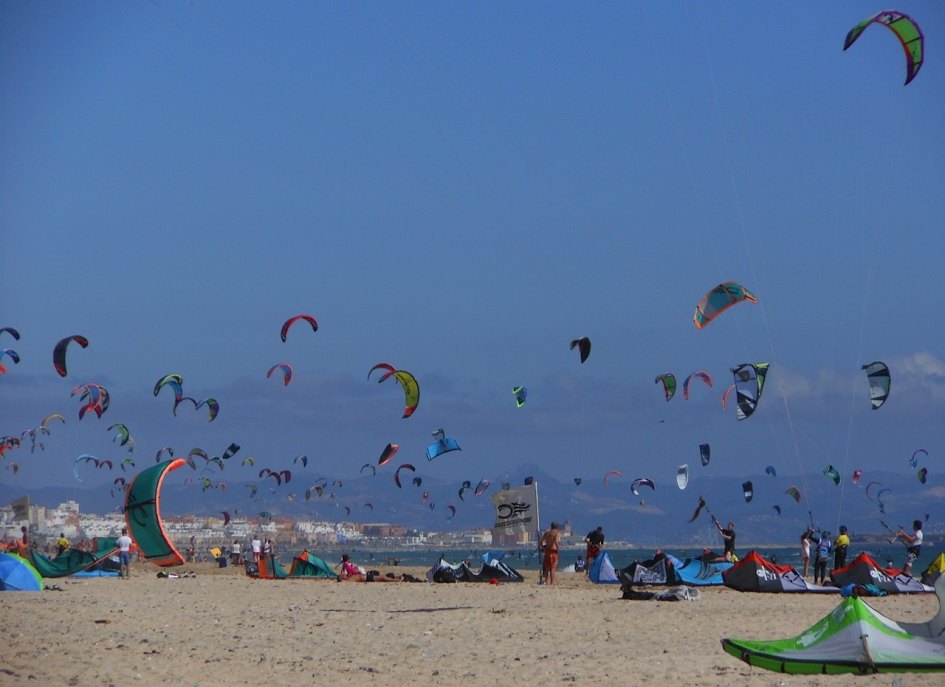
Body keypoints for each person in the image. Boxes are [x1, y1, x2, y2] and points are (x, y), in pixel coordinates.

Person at [539, 522, 561, 586]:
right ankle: (552, 582)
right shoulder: (556, 533)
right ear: (557, 527)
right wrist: (558, 550)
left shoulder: (547, 533)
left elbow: (540, 541)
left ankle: (546, 582)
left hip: (547, 551)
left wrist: (543, 547)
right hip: (553, 551)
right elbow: (556, 541)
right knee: (553, 567)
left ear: (551, 526)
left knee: (547, 567)